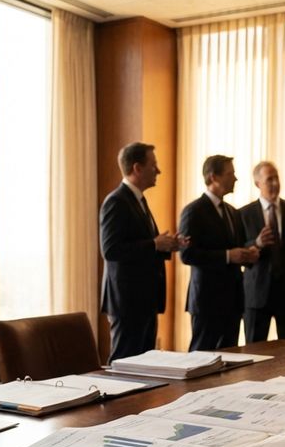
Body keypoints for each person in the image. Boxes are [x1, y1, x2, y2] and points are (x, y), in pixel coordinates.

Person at [100, 142, 187, 363]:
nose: (158, 170)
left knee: (144, 364)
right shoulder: (116, 201)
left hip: (144, 300)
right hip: (127, 302)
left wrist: (167, 244)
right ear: (137, 168)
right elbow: (110, 249)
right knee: (125, 364)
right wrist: (155, 244)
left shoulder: (139, 200)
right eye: (153, 165)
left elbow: (143, 244)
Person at [179, 155, 259, 351]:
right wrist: (227, 256)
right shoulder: (193, 211)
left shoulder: (233, 212)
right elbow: (187, 255)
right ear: (213, 177)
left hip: (233, 299)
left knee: (230, 357)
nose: (236, 178)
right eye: (230, 173)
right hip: (207, 299)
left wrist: (249, 255)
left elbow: (236, 247)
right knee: (201, 355)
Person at [237, 161, 285, 342]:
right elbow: (239, 253)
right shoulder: (243, 214)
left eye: (276, 178)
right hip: (256, 294)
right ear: (257, 183)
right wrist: (257, 243)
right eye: (269, 179)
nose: (275, 183)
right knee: (254, 352)